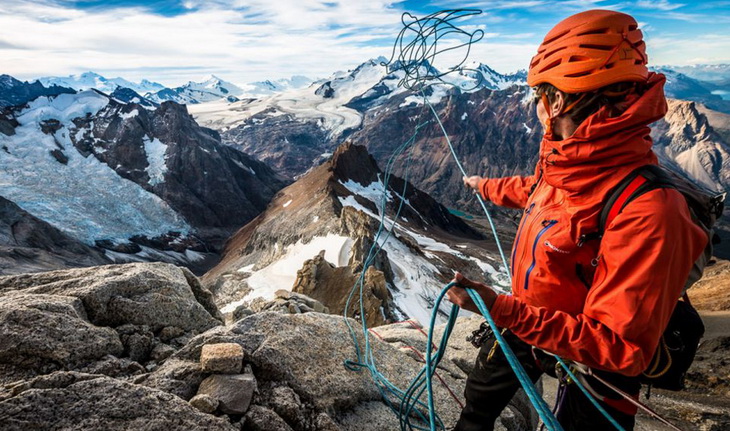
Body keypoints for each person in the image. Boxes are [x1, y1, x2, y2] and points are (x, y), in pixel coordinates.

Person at [447, 9, 708, 431]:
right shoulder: (569, 163)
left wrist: (503, 310)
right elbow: (535, 190)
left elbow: (620, 348)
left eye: (539, 97)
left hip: (590, 361)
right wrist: (484, 186)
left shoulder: (651, 211)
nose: (535, 108)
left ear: (559, 102)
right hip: (532, 319)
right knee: (479, 399)